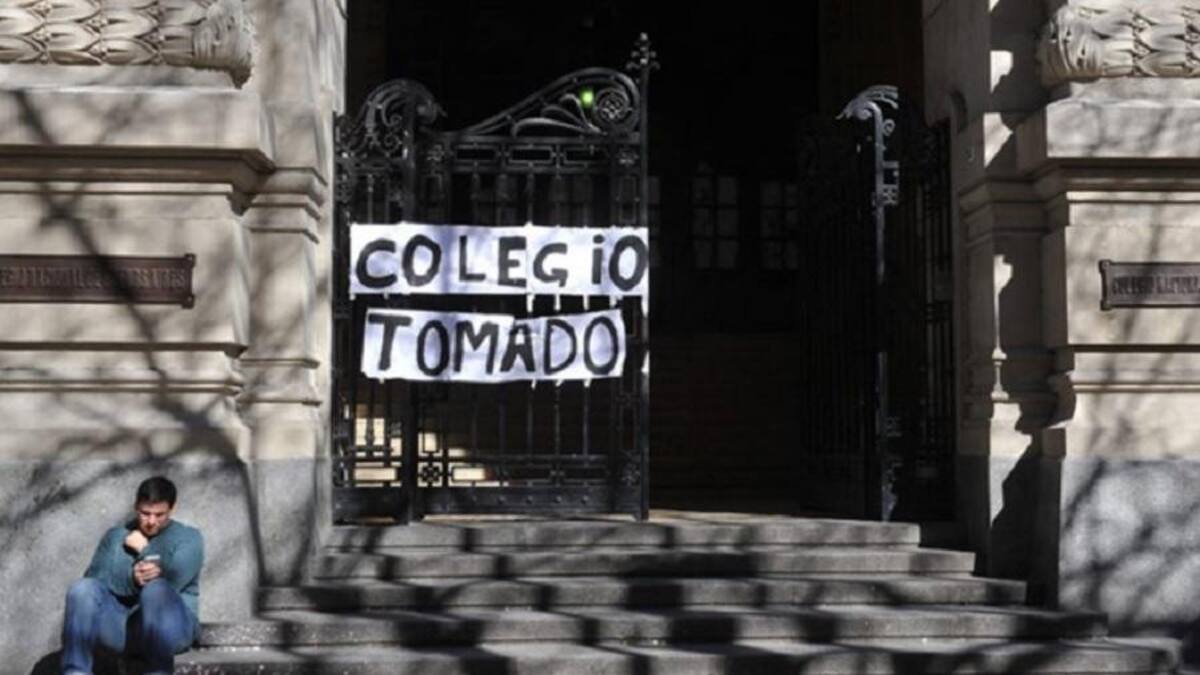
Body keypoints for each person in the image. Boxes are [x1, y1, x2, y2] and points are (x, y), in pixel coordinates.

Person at [61, 476, 204, 675]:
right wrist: (132, 579)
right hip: (125, 628)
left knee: (156, 589)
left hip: (174, 628)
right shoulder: (116, 537)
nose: (151, 521)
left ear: (172, 509)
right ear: (136, 506)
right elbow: (94, 579)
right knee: (81, 589)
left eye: (159, 514)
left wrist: (144, 549)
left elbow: (174, 579)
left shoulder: (189, 538)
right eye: (145, 513)